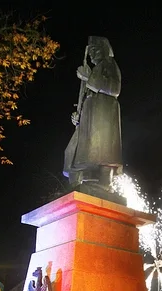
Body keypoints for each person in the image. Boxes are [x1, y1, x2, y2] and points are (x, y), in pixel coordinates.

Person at [63, 36, 123, 190]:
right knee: (74, 152)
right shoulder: (95, 69)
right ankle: (77, 185)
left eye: (95, 50)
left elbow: (115, 89)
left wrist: (88, 77)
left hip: (103, 116)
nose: (92, 55)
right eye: (90, 52)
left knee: (104, 153)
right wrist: (78, 116)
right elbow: (86, 96)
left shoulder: (109, 64)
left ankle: (104, 184)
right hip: (89, 119)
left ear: (103, 50)